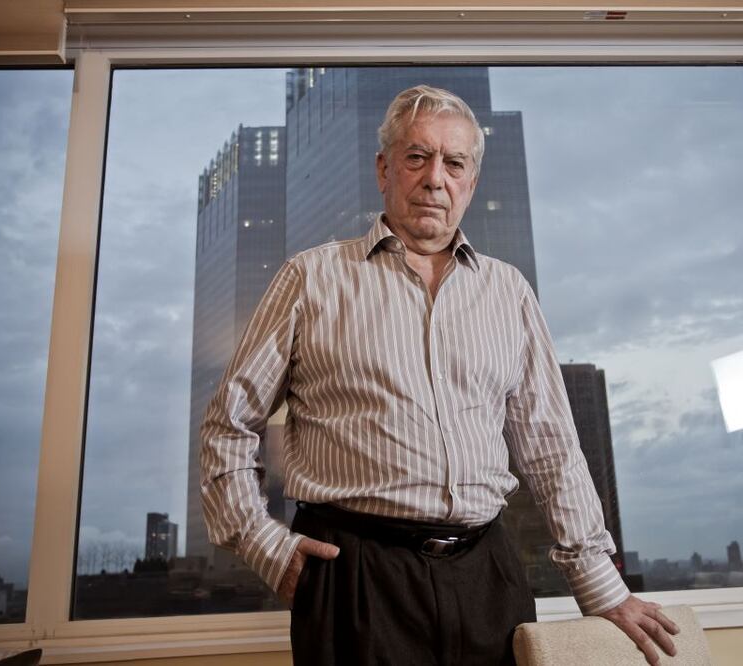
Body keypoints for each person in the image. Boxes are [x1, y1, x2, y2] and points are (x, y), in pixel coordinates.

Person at [200, 84, 679, 665]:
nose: (435, 178)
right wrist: (263, 544)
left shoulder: (509, 292)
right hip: (356, 577)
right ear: (384, 168)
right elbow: (229, 425)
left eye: (454, 163)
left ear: (471, 183)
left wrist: (601, 587)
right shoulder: (312, 278)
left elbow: (551, 447)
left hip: (488, 578)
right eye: (416, 157)